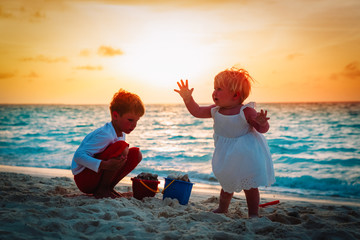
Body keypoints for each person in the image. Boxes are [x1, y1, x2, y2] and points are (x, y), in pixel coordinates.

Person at [174, 67, 275, 218]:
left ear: (235, 95)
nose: (214, 92)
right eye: (214, 88)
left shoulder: (245, 111)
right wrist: (188, 98)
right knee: (227, 181)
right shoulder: (216, 110)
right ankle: (223, 208)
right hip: (226, 152)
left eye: (219, 89)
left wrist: (262, 123)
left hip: (246, 153)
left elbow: (262, 129)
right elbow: (197, 111)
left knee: (250, 186)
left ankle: (253, 213)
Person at [71, 89, 145, 199]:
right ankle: (102, 189)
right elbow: (78, 156)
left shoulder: (120, 133)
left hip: (97, 176)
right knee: (122, 147)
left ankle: (108, 187)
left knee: (136, 154)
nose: (134, 125)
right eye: (130, 120)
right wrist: (105, 165)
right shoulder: (106, 134)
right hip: (84, 179)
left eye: (136, 121)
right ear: (115, 116)